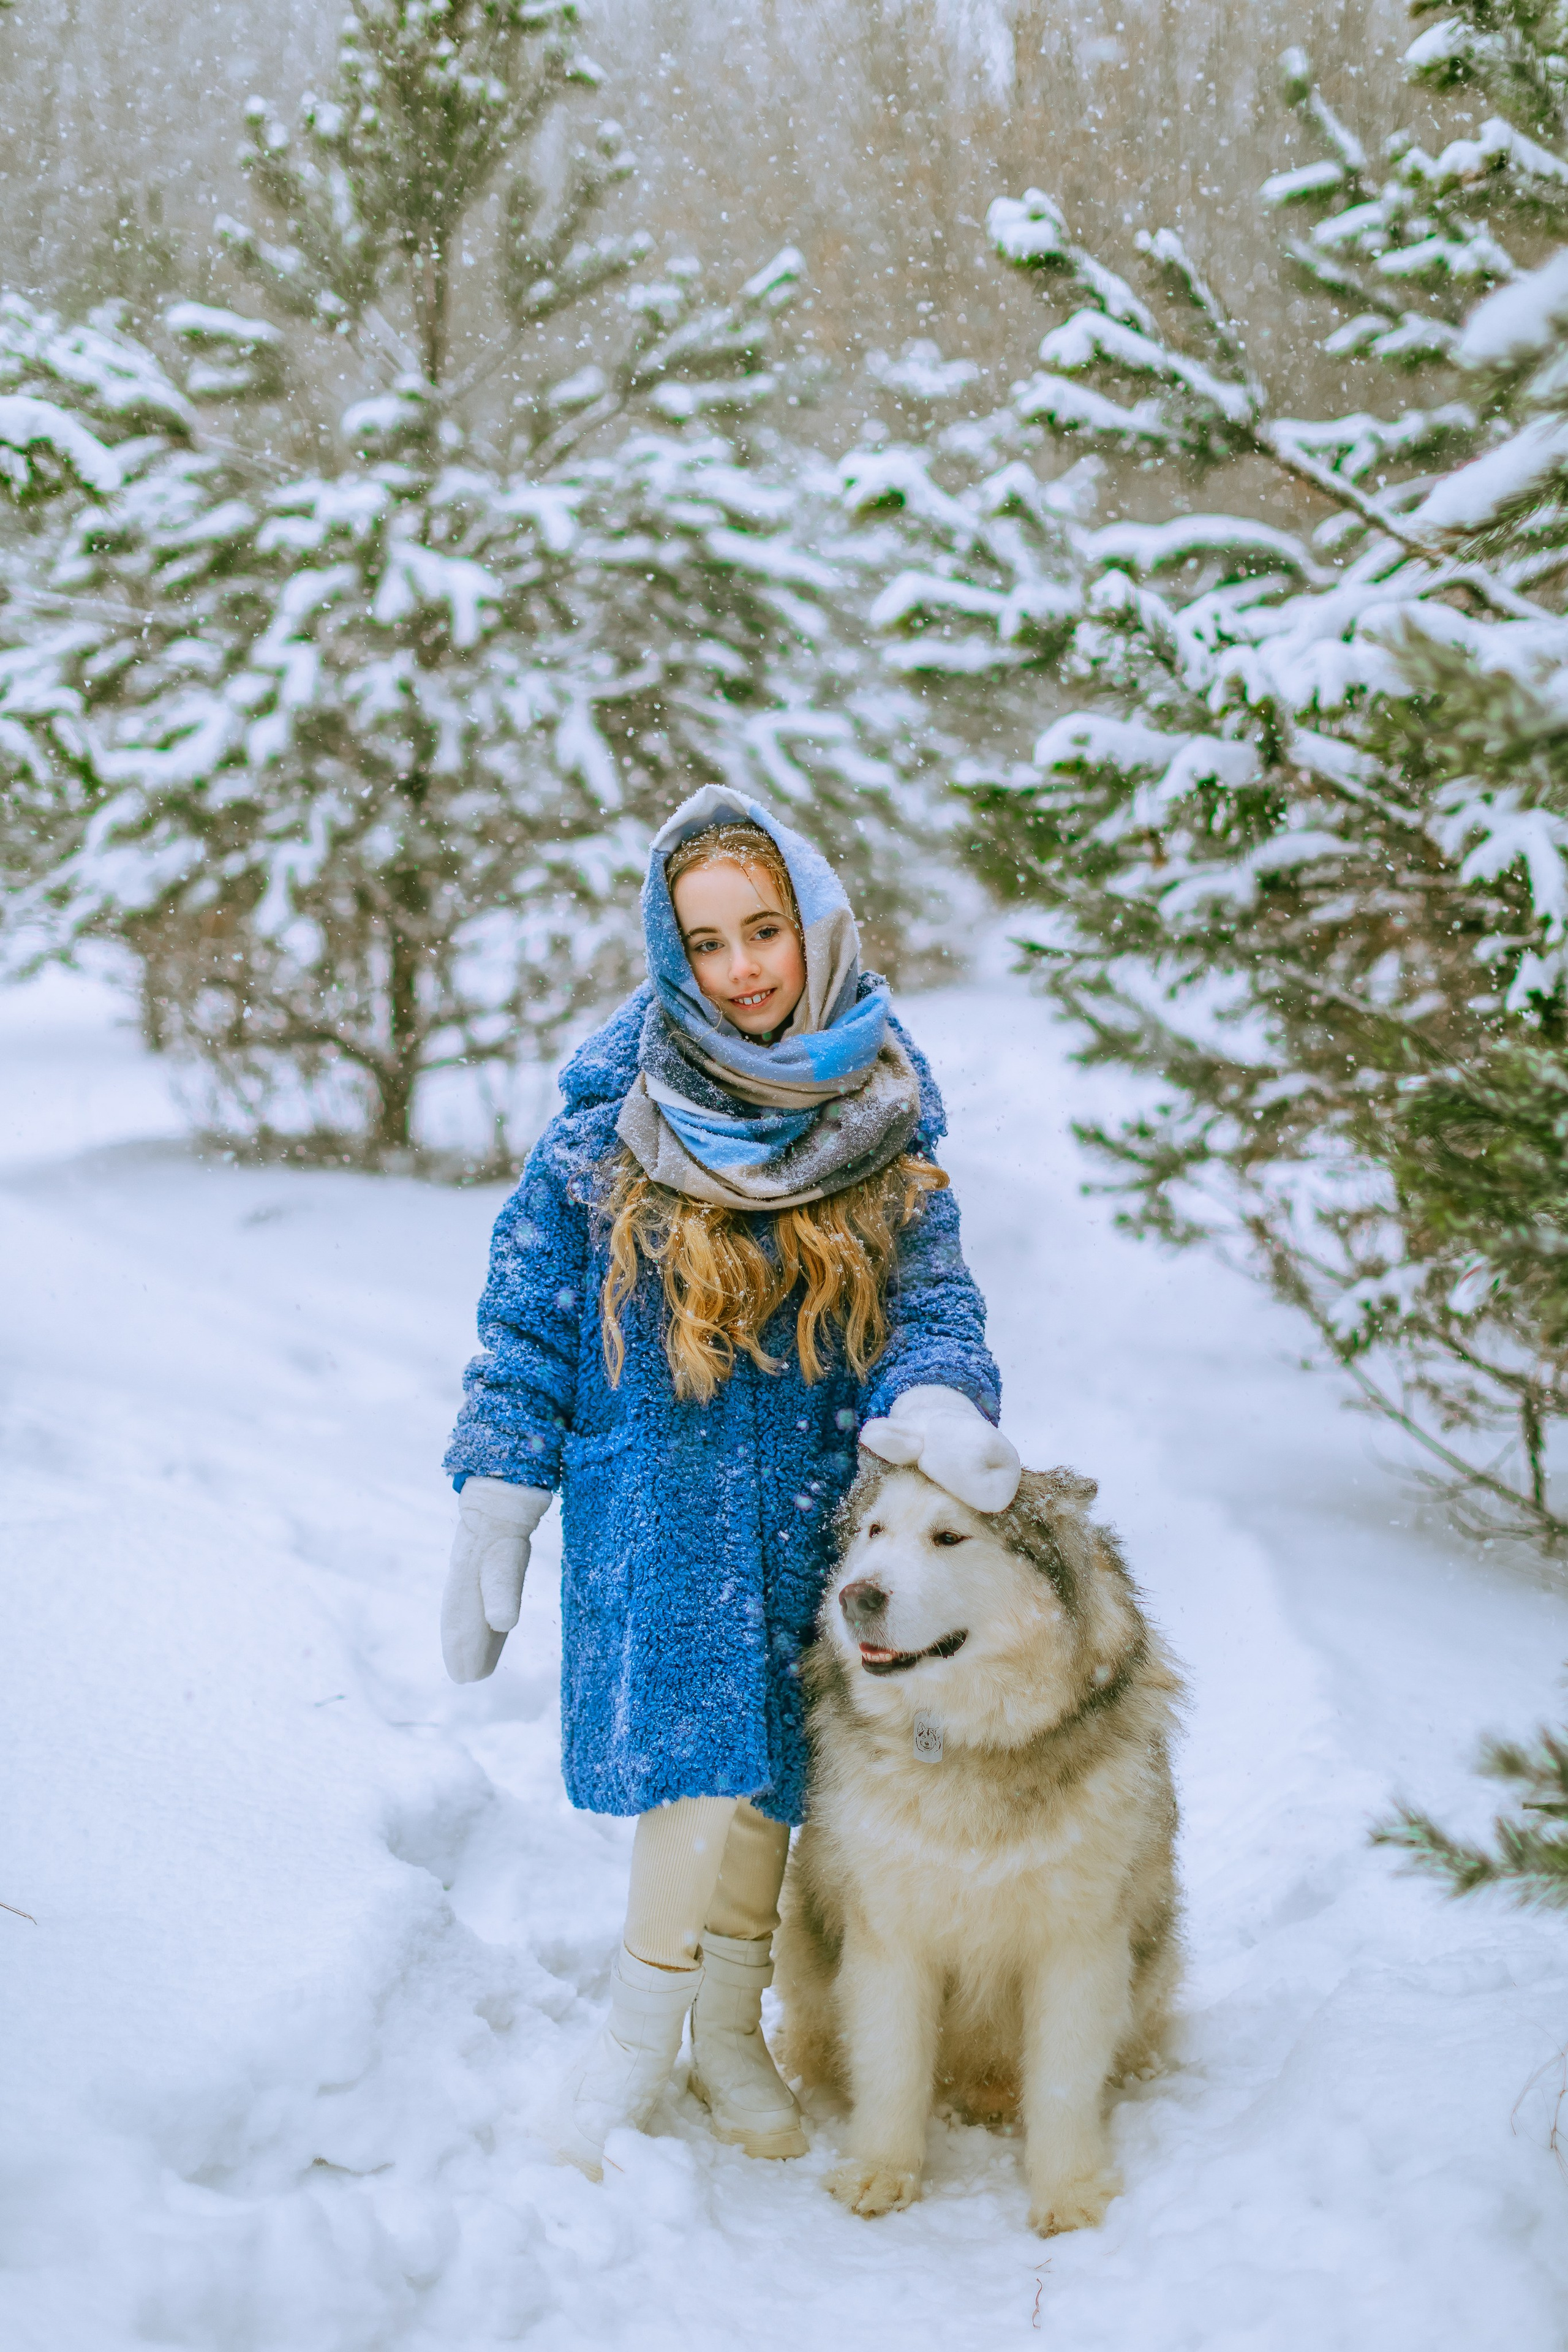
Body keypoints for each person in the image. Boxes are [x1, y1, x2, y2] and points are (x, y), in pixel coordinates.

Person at [440, 783, 1020, 2179]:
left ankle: (730, 2028)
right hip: (664, 1503)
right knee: (689, 1772)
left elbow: (933, 1303)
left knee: (772, 1774)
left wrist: (932, 1396)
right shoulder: (610, 1119)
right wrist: (500, 1484)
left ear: (814, 926)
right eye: (706, 944)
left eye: (763, 929)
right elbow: (527, 1311)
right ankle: (636, 2036)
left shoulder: (880, 1108)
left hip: (821, 1502)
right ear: (669, 955)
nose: (742, 968)